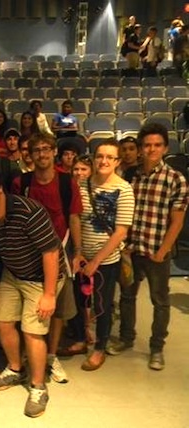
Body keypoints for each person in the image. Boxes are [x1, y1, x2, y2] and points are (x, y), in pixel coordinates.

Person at [0, 166, 66, 418]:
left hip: (44, 276)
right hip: (14, 274)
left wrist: (49, 294)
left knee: (32, 331)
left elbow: (51, 252)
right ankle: (15, 368)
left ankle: (38, 386)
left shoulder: (28, 210)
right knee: (2, 321)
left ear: (0, 187)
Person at [108, 123, 188, 371]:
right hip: (132, 249)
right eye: (147, 145)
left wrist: (163, 251)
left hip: (157, 252)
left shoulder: (176, 179)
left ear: (165, 148)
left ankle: (156, 348)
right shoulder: (133, 177)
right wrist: (125, 245)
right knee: (128, 297)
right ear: (141, 149)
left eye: (157, 145)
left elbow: (177, 222)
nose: (151, 149)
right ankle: (126, 338)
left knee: (160, 301)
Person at [12, 132, 83, 384]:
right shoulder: (22, 183)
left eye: (46, 149)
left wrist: (78, 252)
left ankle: (51, 356)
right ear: (29, 155)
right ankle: (27, 355)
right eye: (36, 150)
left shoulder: (67, 183)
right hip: (30, 256)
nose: (41, 154)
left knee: (58, 310)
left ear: (54, 151)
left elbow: (74, 218)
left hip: (61, 252)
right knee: (29, 309)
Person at [70, 140, 135, 371]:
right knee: (79, 301)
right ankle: (80, 340)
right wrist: (78, 253)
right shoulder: (81, 185)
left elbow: (120, 232)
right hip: (81, 257)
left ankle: (99, 348)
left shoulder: (124, 189)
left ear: (117, 161)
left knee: (102, 306)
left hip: (106, 260)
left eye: (110, 157)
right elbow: (75, 218)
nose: (104, 161)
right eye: (100, 156)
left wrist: (96, 261)